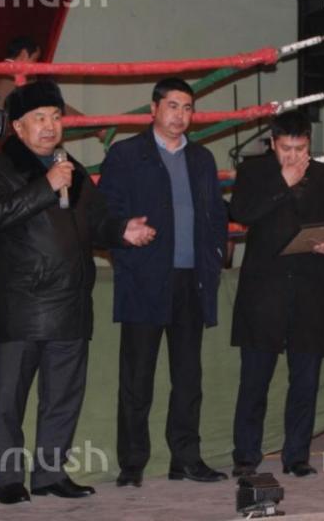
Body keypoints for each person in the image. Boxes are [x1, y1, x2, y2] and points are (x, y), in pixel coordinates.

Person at [0, 81, 155, 504]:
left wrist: (122, 230)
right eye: (40, 118)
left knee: (62, 397)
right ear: (18, 126)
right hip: (22, 303)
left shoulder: (69, 166)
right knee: (9, 398)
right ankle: (8, 479)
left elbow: (96, 219)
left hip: (71, 301)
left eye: (56, 117)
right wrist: (46, 184)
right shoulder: (1, 167)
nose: (50, 126)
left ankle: (50, 474)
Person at [98, 77, 228, 487]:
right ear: (153, 109)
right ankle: (132, 463)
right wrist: (124, 234)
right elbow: (105, 214)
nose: (180, 116)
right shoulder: (125, 155)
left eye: (187, 108)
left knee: (188, 379)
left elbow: (216, 215)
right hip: (144, 280)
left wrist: (215, 255)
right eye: (173, 106)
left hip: (193, 282)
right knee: (137, 379)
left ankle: (185, 459)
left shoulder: (202, 159)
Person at [229, 112, 324, 478]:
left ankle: (297, 455)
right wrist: (282, 183)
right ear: (273, 144)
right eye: (286, 148)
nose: (293, 155)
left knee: (305, 380)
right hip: (263, 293)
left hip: (310, 291)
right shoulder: (254, 172)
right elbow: (241, 212)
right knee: (254, 380)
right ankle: (246, 455)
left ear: (309, 144)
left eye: (300, 149)